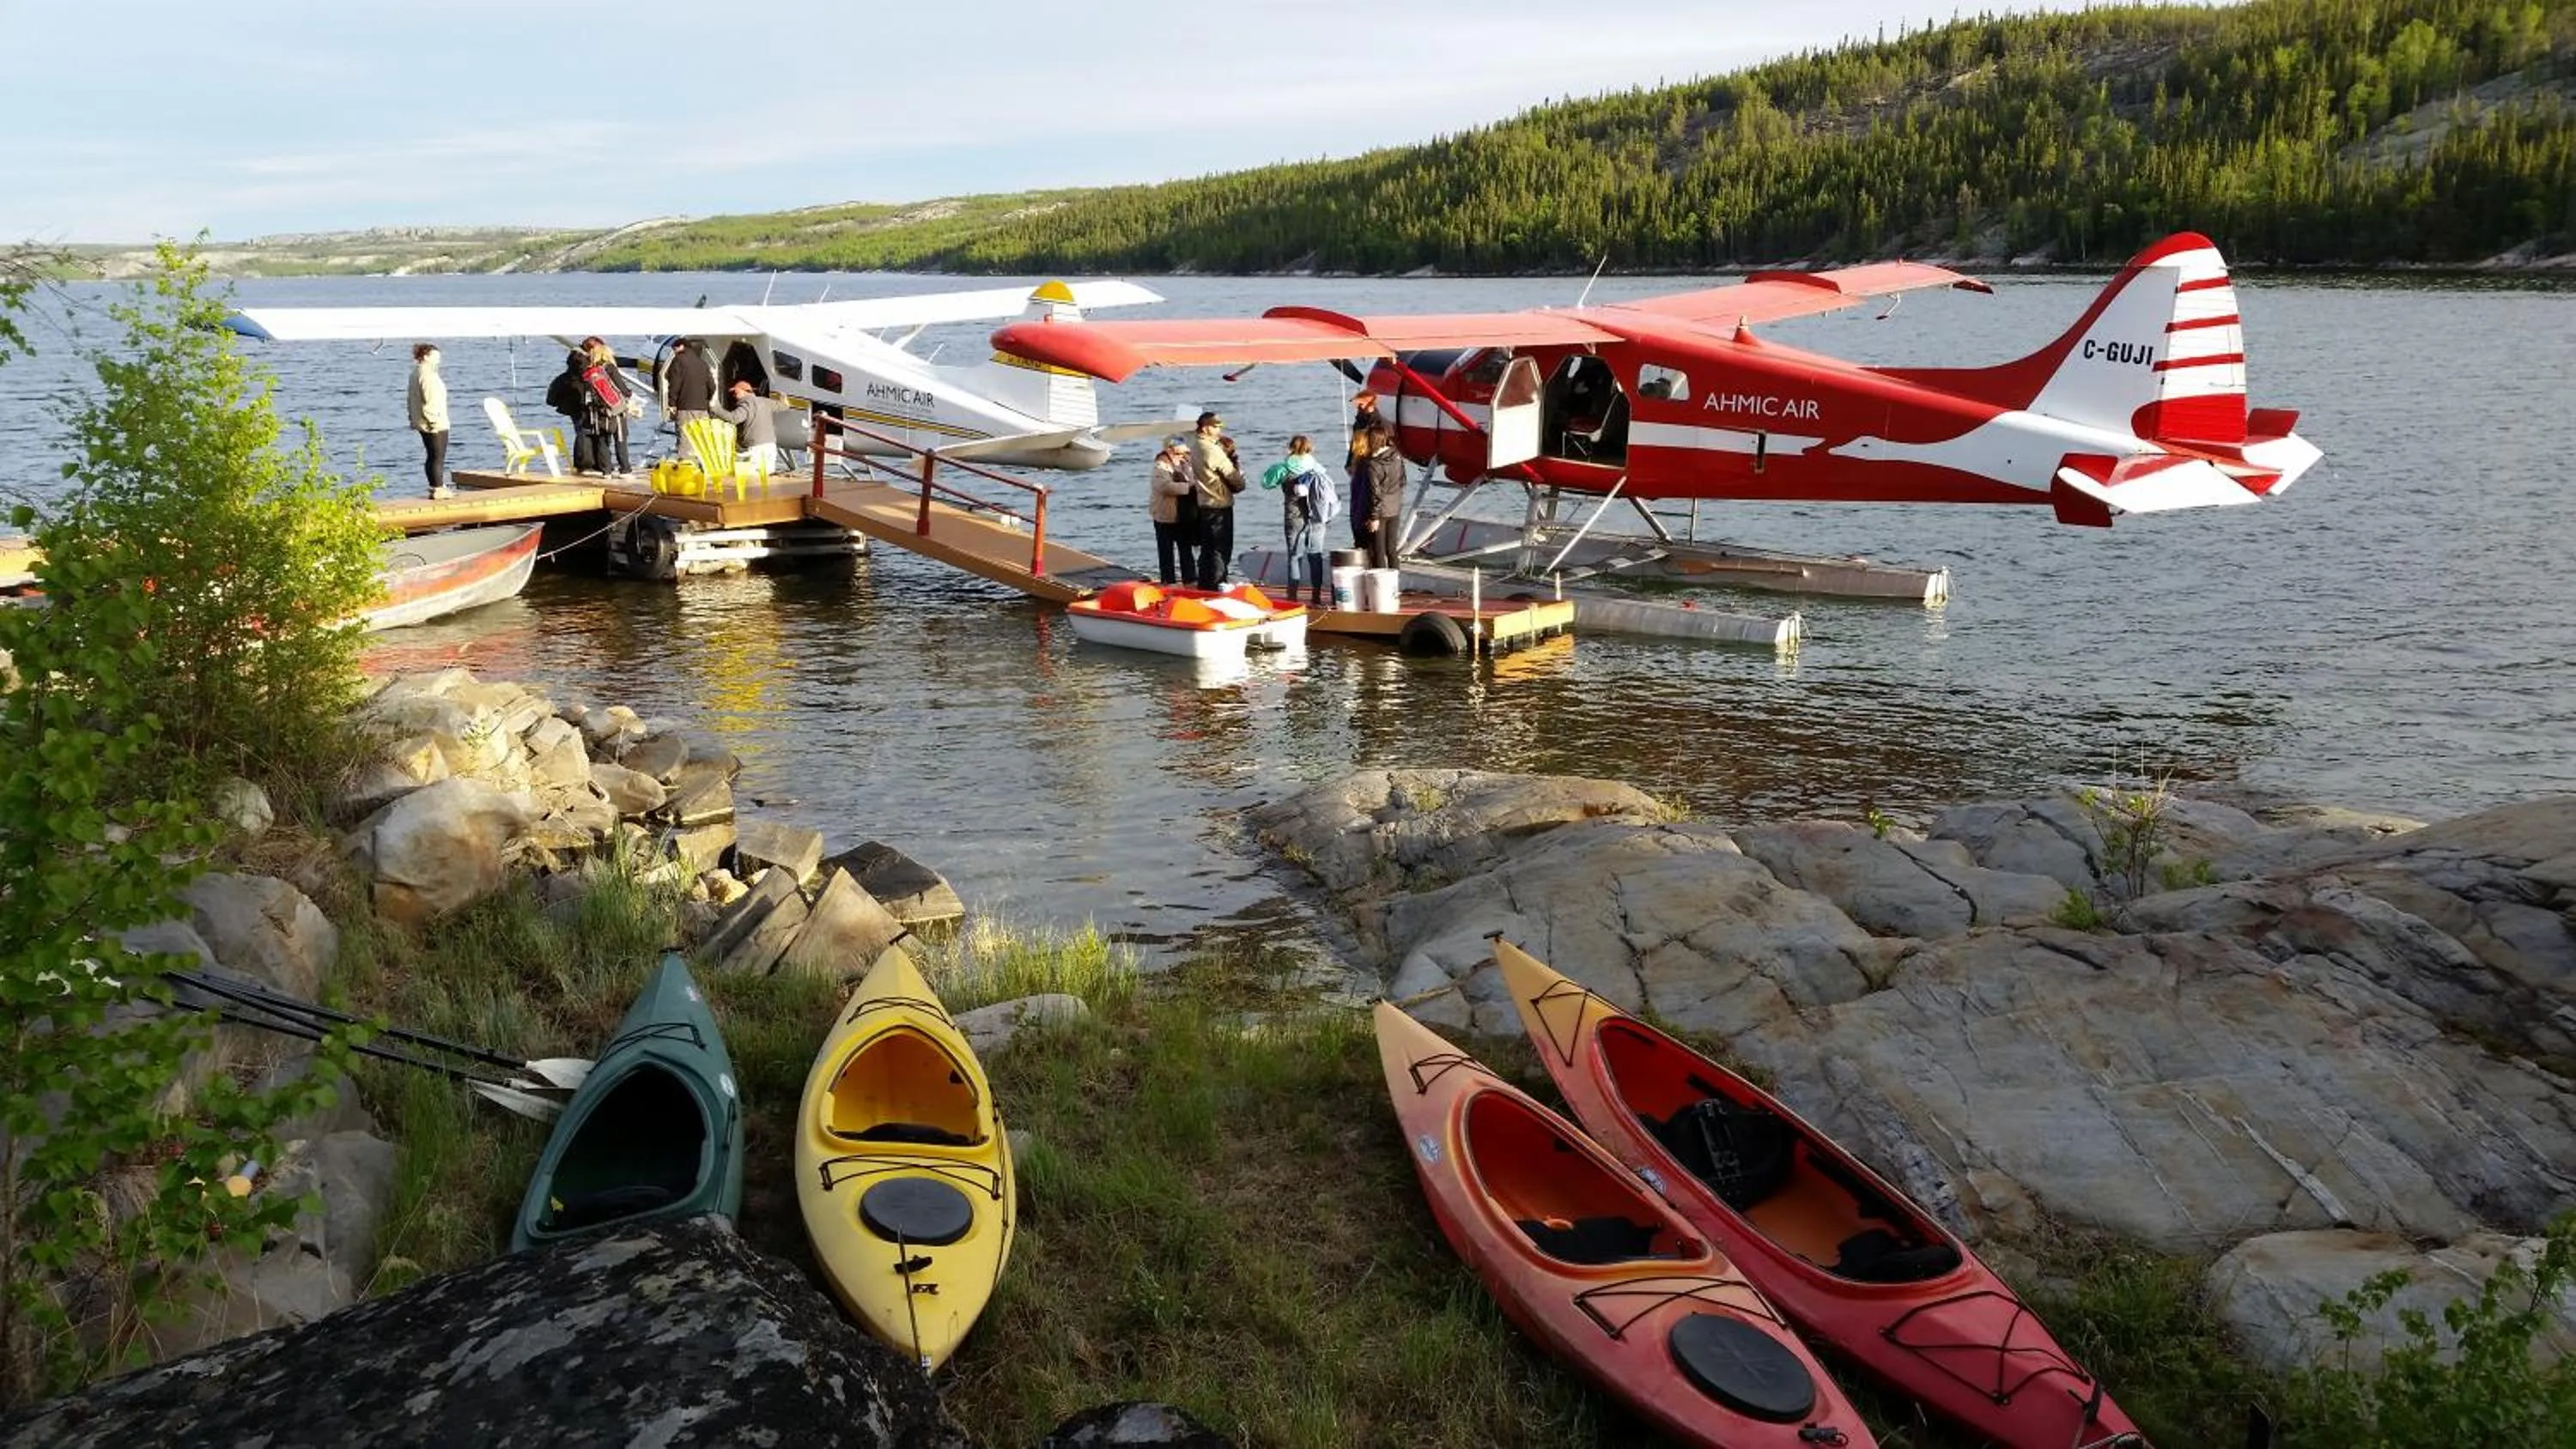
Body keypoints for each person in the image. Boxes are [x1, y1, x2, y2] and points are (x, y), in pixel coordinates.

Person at [1260, 434, 1340, 606]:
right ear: (1310, 449)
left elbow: (1265, 483)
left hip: (1294, 516)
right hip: (1317, 517)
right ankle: (1316, 595)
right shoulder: (1317, 467)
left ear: (1290, 448)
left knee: (1295, 556)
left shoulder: (1283, 468)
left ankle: (1293, 596)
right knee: (1315, 555)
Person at [1187, 409, 1242, 590]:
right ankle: (1217, 585)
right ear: (1205, 428)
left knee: (1207, 549)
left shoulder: (1195, 446)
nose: (1219, 430)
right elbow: (1232, 476)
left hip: (1204, 503)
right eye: (1215, 427)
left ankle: (1205, 583)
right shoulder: (1211, 449)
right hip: (1218, 503)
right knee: (1220, 548)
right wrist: (1240, 481)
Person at [544, 348, 605, 475]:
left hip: (574, 409)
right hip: (592, 408)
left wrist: (561, 403)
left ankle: (585, 464)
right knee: (593, 434)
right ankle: (596, 464)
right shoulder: (591, 376)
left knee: (583, 432)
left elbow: (550, 399)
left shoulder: (563, 379)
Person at [1147, 434, 1199, 585]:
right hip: (1165, 515)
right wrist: (1189, 487)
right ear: (1170, 448)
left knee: (1186, 548)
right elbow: (1164, 486)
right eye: (1179, 448)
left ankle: (1190, 579)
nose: (1183, 453)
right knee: (1166, 550)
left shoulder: (1187, 461)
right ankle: (1168, 580)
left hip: (1185, 514)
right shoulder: (1161, 465)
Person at [585, 338, 638, 476]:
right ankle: (625, 469)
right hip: (616, 410)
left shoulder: (589, 372)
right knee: (620, 439)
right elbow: (622, 388)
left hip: (599, 412)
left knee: (603, 441)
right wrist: (630, 395)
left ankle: (606, 471)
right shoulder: (610, 367)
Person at [405, 343, 451, 499]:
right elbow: (430, 399)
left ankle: (436, 486)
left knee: (432, 455)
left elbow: (410, 399)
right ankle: (438, 488)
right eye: (435, 356)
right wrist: (433, 422)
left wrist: (413, 417)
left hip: (422, 420)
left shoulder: (416, 373)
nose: (438, 359)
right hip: (433, 422)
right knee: (437, 456)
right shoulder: (427, 374)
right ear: (426, 356)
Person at [1360, 422, 1406, 570]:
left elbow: (1375, 493)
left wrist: (1373, 518)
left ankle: (1380, 585)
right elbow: (1403, 481)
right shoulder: (1397, 456)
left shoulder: (1373, 465)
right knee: (1391, 550)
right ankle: (1395, 583)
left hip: (1380, 512)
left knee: (1379, 551)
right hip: (1395, 508)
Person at [715, 378, 781, 478]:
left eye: (735, 392)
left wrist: (716, 408)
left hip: (756, 449)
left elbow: (734, 418)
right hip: (770, 447)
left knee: (752, 481)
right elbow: (784, 405)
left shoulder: (746, 404)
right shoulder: (766, 402)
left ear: (744, 391)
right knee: (766, 479)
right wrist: (783, 397)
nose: (734, 396)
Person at [1346, 391, 1383, 550]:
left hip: (1368, 465)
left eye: (1360, 404)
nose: (1357, 407)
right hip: (1358, 464)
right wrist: (1349, 463)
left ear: (1370, 403)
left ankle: (1368, 544)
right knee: (1355, 508)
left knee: (1365, 503)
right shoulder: (1359, 420)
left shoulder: (1377, 422)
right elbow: (1355, 443)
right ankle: (1358, 542)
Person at [665, 337, 716, 427]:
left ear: (681, 346)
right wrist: (706, 400)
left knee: (686, 437)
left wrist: (672, 403)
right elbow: (712, 386)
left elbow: (674, 384)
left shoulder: (678, 360)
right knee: (701, 438)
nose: (674, 352)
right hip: (702, 409)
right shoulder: (703, 363)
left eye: (674, 349)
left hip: (685, 408)